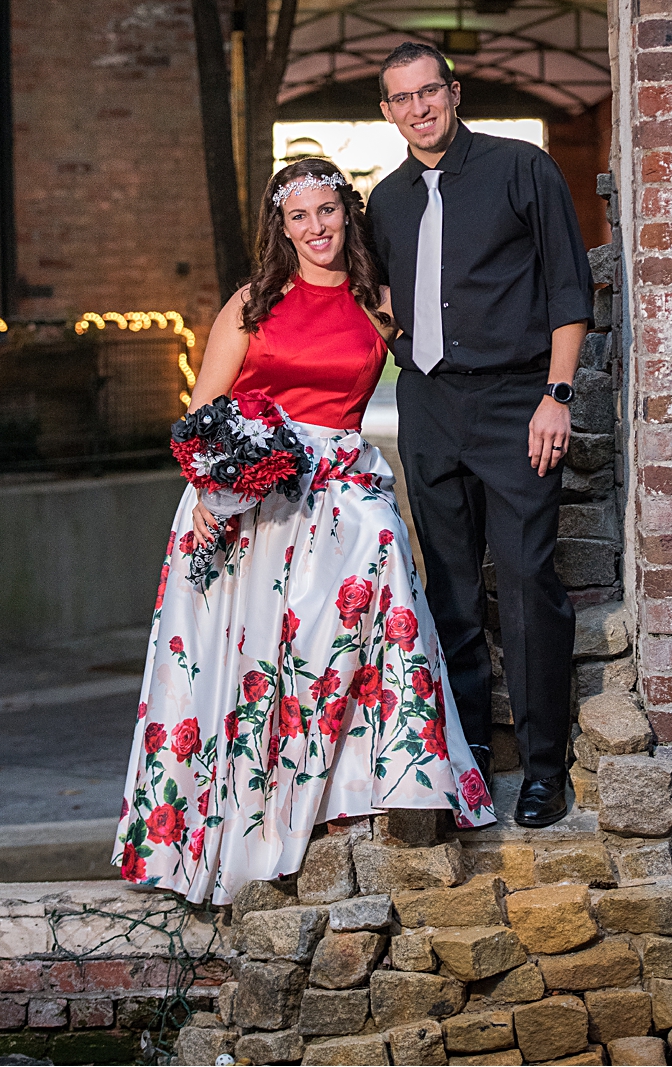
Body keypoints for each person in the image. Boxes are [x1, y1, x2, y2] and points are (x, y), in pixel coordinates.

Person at [114, 158, 496, 905]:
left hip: (342, 486)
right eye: (300, 217)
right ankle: (239, 831)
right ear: (280, 227)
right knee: (248, 661)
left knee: (380, 561)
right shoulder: (253, 302)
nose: (316, 228)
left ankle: (370, 788)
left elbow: (449, 365)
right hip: (252, 490)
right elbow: (204, 408)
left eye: (327, 211)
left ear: (345, 215)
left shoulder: (379, 301)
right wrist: (207, 491)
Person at [365, 41, 594, 829]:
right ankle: (461, 765)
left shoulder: (521, 168)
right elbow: (383, 295)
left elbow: (569, 285)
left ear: (453, 92)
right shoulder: (385, 200)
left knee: (529, 578)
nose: (420, 108)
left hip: (514, 403)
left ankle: (540, 768)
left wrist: (554, 395)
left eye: (430, 91)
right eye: (403, 98)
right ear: (388, 111)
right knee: (449, 591)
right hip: (429, 406)